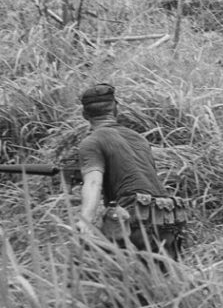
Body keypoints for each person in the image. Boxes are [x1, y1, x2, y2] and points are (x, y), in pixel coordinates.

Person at [76, 83, 184, 261]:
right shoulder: (139, 138)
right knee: (164, 281)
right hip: (167, 218)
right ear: (116, 108)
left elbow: (94, 182)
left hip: (134, 220)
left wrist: (85, 219)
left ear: (85, 115)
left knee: (91, 265)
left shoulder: (92, 142)